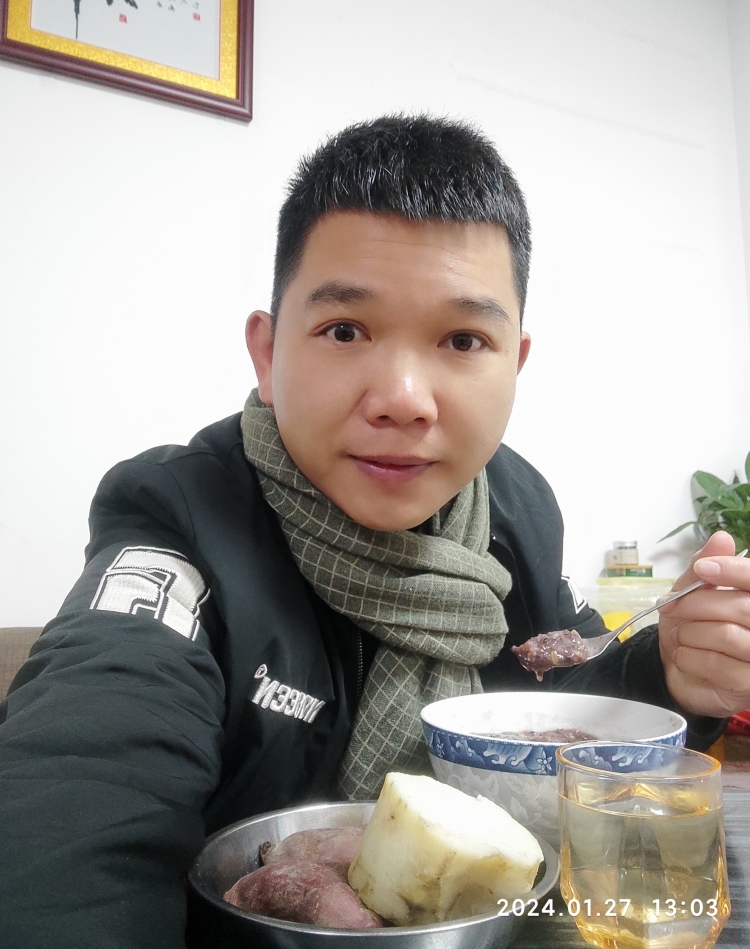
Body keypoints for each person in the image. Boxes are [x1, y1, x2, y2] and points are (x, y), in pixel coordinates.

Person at [2, 115, 749, 949]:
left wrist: (670, 672)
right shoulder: (182, 514)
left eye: (463, 339)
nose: (403, 399)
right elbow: (84, 783)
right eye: (345, 331)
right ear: (267, 354)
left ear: (514, 364)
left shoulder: (516, 508)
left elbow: (559, 700)